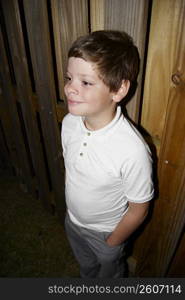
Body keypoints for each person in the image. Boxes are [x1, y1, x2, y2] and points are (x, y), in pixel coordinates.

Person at [61, 30, 154, 278]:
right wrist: (71, 211)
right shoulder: (70, 122)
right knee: (87, 268)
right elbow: (71, 168)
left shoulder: (132, 151)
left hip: (107, 234)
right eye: (69, 78)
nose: (70, 88)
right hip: (73, 222)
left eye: (86, 82)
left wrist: (114, 242)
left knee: (109, 278)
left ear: (119, 90)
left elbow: (139, 208)